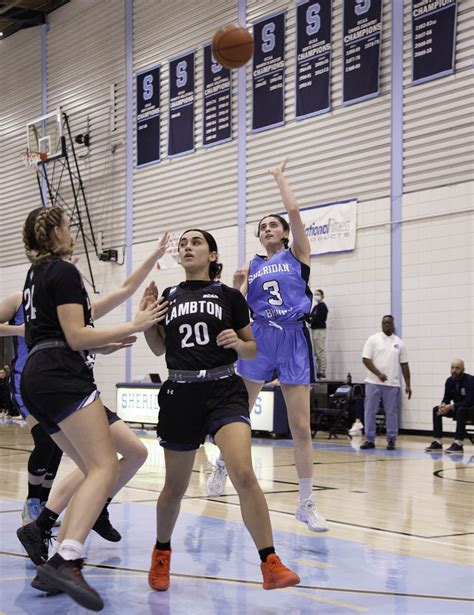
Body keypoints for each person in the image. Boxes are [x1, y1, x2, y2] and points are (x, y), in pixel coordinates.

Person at [17, 205, 165, 611]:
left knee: (93, 468)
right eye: (68, 225)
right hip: (61, 376)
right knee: (105, 467)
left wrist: (111, 339)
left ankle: (53, 541)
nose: (73, 230)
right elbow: (76, 336)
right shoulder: (63, 272)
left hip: (38, 376)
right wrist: (134, 326)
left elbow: (71, 329)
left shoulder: (38, 275)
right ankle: (68, 556)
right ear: (56, 234)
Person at [141, 228, 300, 592]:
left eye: (195, 242)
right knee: (174, 487)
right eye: (183, 244)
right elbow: (157, 348)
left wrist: (236, 342)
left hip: (223, 388)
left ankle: (270, 561)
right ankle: (162, 552)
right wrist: (149, 319)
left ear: (212, 255)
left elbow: (252, 348)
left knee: (243, 473)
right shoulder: (169, 296)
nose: (187, 247)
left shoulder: (228, 296)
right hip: (181, 391)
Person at [207, 159, 328, 533]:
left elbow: (293, 210)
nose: (267, 229)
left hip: (292, 337)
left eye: (272, 224)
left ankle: (306, 502)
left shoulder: (298, 256)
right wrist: (238, 283)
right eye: (262, 227)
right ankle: (222, 466)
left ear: (285, 233)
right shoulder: (253, 265)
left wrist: (279, 177)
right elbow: (238, 307)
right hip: (259, 337)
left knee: (301, 427)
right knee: (237, 414)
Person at [0, 292, 64, 525]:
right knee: (46, 440)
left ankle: (43, 505)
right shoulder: (17, 299)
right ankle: (31, 503)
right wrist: (18, 330)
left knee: (59, 445)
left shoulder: (60, 299)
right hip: (24, 379)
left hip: (55, 380)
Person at [360, 315, 412, 451]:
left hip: (392, 384)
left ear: (393, 324)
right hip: (373, 382)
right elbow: (365, 359)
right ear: (381, 324)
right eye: (384, 323)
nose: (387, 325)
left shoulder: (399, 343)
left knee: (392, 413)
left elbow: (405, 365)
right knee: (370, 411)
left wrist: (408, 384)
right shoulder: (373, 339)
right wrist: (378, 374)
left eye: (389, 323)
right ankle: (369, 439)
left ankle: (391, 439)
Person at [425, 360, 474, 454]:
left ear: (463, 369)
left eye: (457, 368)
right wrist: (443, 405)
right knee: (436, 410)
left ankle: (458, 443)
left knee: (461, 410)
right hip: (458, 408)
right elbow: (446, 399)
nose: (454, 370)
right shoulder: (449, 381)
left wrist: (451, 406)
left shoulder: (470, 380)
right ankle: (437, 441)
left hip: (471, 410)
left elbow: (469, 402)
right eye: (452, 367)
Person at [309, 289, 328, 379]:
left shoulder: (323, 307)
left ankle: (322, 371)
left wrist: (312, 319)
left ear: (322, 296)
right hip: (314, 330)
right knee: (316, 352)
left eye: (318, 294)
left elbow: (317, 318)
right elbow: (311, 317)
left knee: (320, 351)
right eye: (315, 294)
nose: (316, 296)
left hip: (319, 330)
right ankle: (317, 371)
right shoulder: (315, 307)